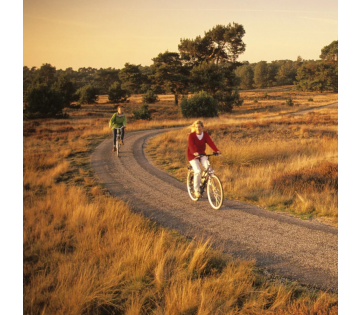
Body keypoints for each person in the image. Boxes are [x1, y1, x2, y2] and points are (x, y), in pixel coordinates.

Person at [187, 120, 221, 198]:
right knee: (198, 171)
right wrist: (194, 152)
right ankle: (196, 190)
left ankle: (208, 185)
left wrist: (216, 150)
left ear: (202, 127)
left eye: (199, 127)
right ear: (194, 128)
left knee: (209, 170)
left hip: (202, 154)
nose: (198, 128)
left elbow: (210, 143)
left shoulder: (205, 134)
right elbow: (191, 145)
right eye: (196, 127)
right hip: (192, 155)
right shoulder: (191, 135)